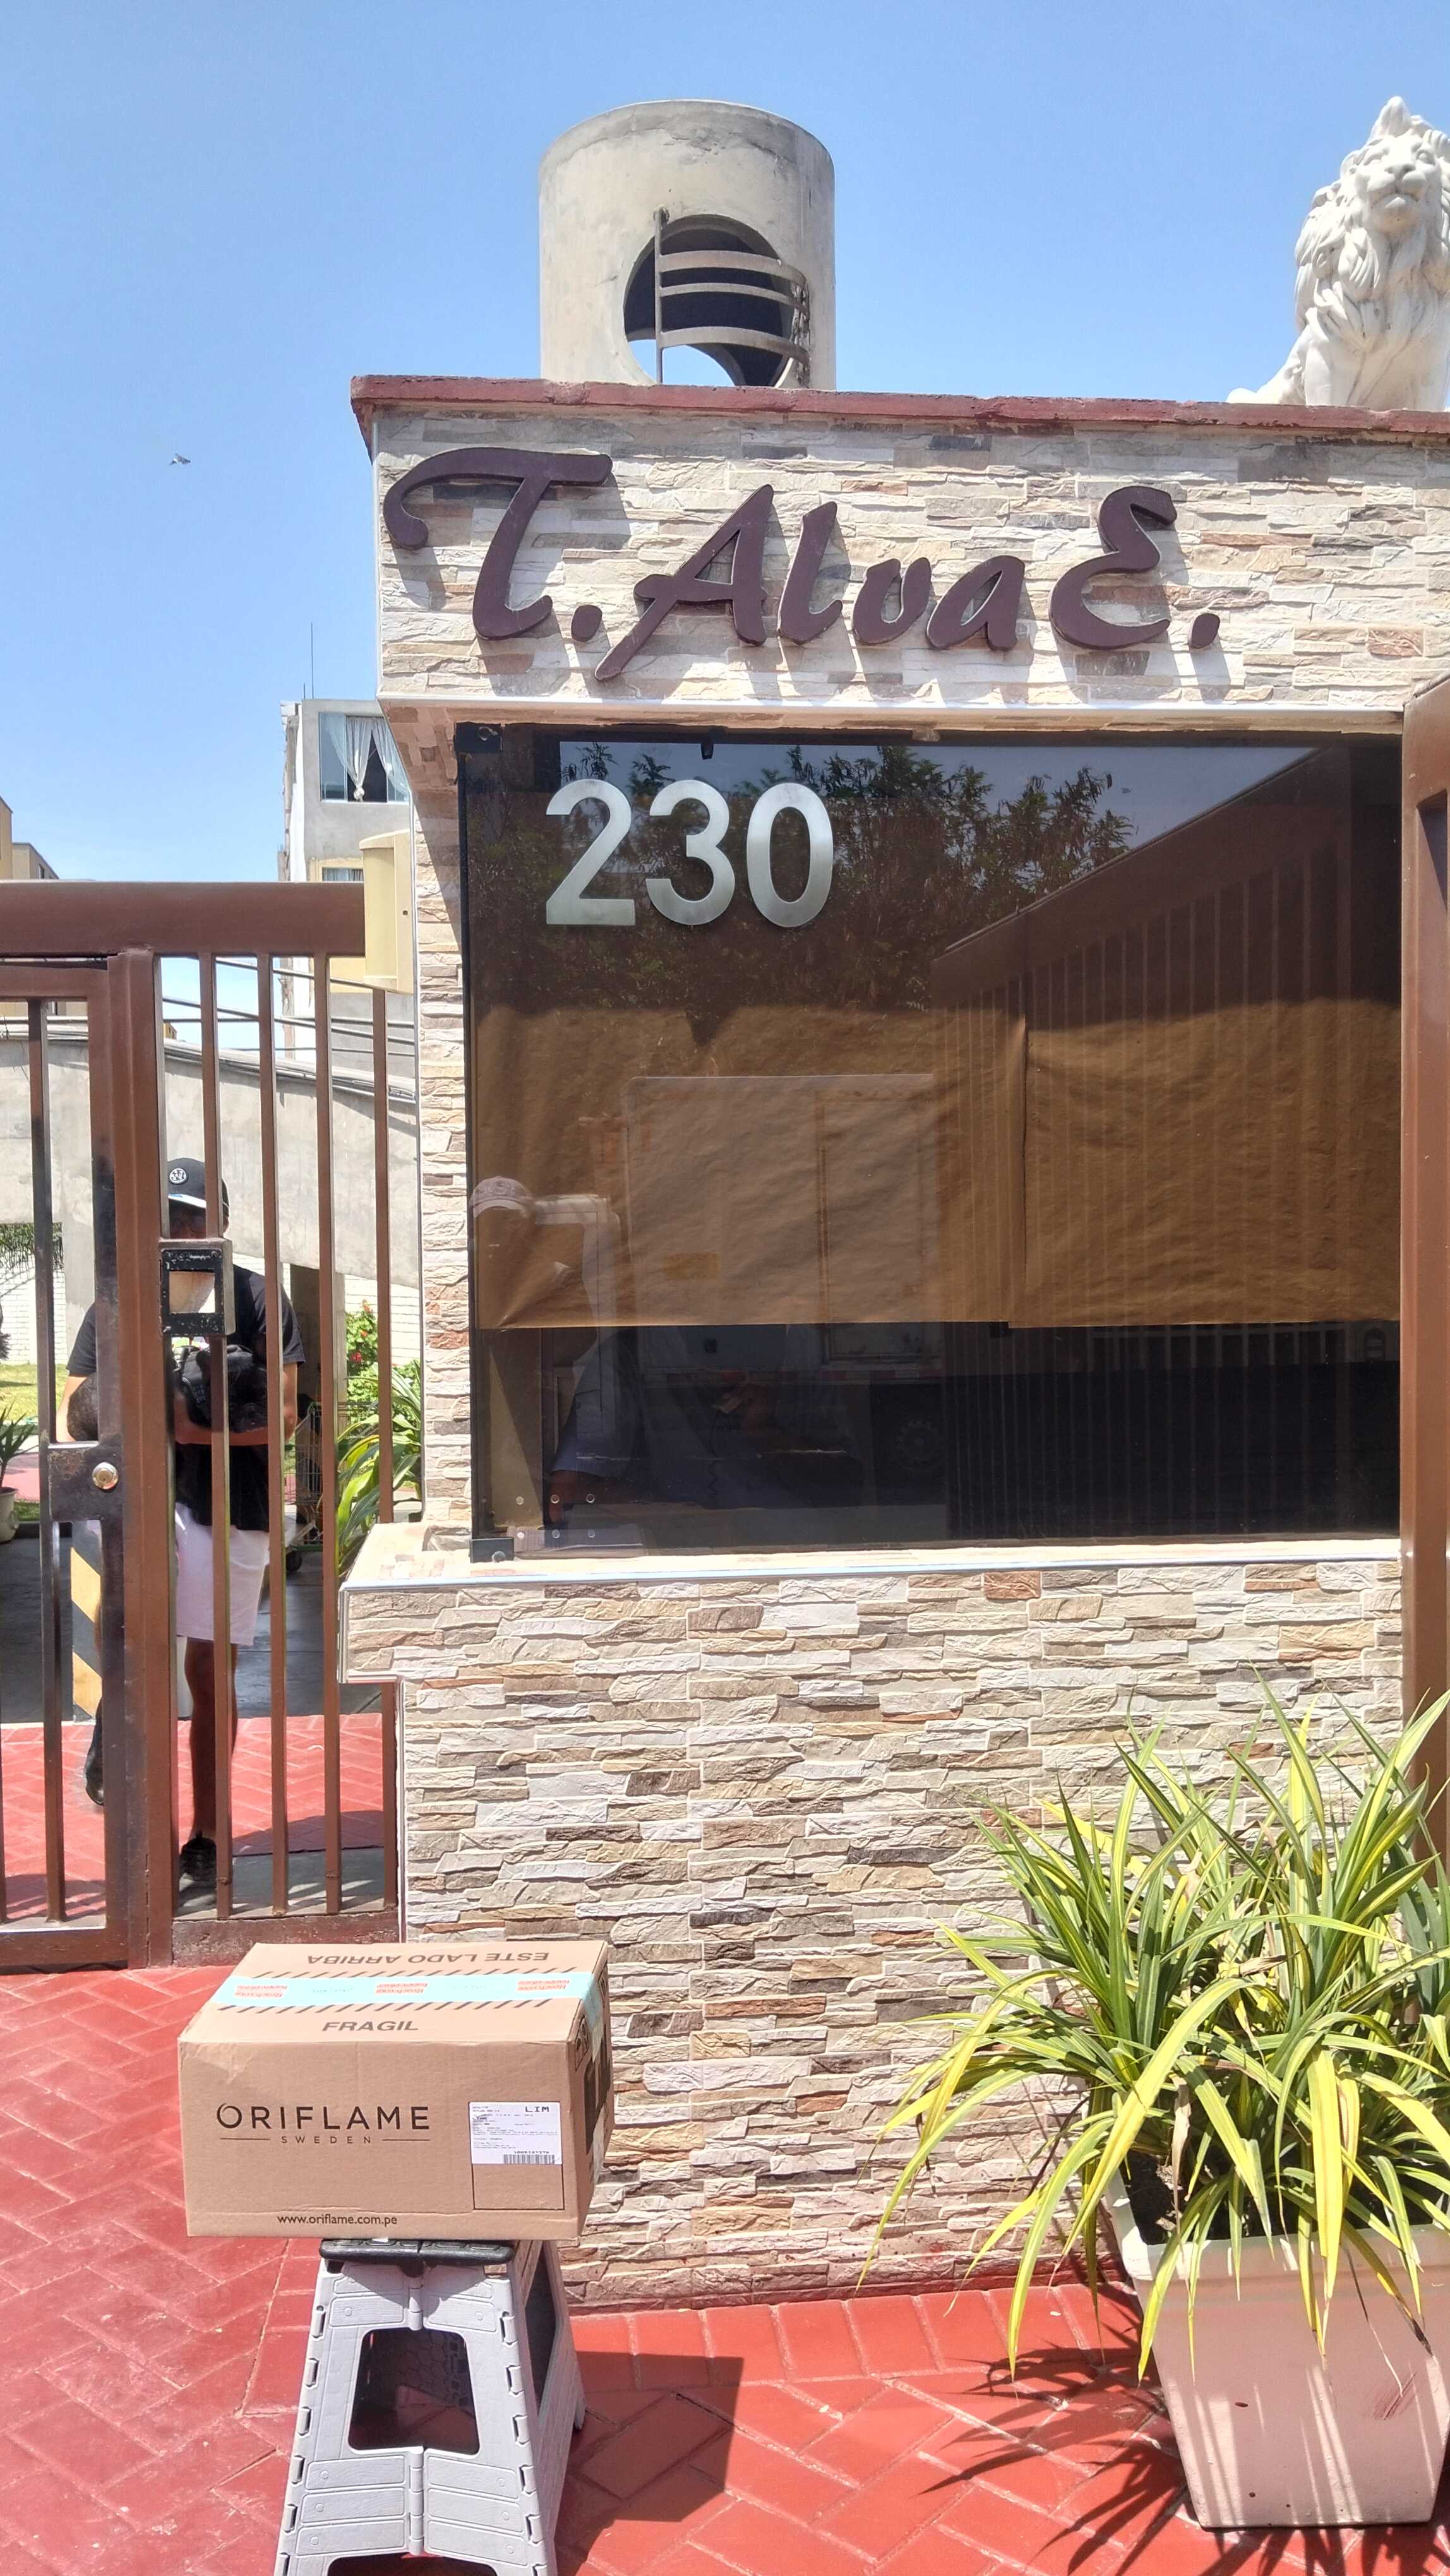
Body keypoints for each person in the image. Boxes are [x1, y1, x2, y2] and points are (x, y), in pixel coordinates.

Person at [61, 1156, 304, 1892]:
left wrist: (192, 1423)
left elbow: (284, 1416)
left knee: (206, 1666)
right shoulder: (117, 1302)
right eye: (171, 1218)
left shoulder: (254, 1296)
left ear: (221, 1222)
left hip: (228, 1502)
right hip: (140, 1498)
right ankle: (141, 1820)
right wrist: (138, 1370)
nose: (184, 1231)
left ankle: (207, 1831)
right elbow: (77, 1409)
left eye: (197, 1217)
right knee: (136, 1655)